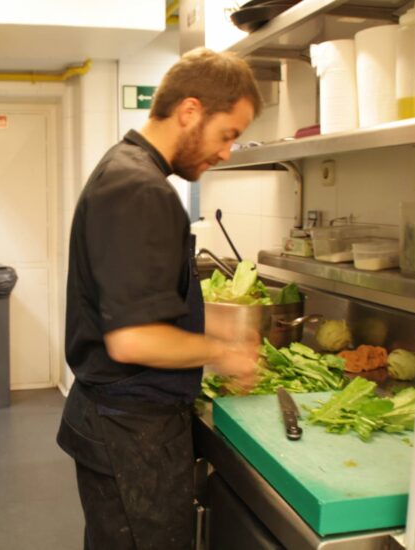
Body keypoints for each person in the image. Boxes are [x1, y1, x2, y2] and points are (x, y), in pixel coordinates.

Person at [57, 47, 264, 550]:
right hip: (132, 434)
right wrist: (224, 351)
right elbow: (132, 340)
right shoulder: (141, 189)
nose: (225, 153)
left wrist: (213, 331)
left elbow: (134, 306)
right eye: (227, 135)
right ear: (190, 111)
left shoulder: (123, 169)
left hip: (119, 425)